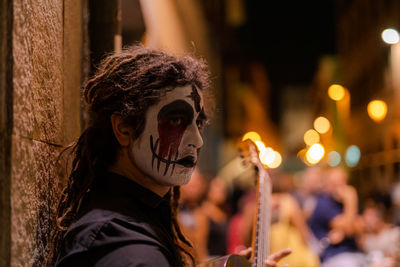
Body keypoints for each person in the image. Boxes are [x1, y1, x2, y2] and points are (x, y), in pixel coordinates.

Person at [48, 45, 290, 267]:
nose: (198, 140)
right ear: (124, 129)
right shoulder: (126, 250)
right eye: (176, 120)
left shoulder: (135, 223)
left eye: (199, 123)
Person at [308, 167, 366, 267]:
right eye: (336, 183)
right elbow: (348, 229)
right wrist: (351, 200)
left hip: (355, 254)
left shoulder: (341, 203)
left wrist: (346, 227)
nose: (342, 187)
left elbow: (361, 228)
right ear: (327, 184)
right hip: (333, 257)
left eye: (343, 181)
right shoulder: (322, 203)